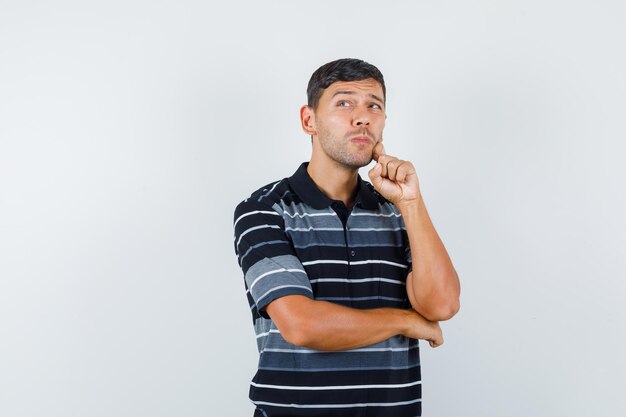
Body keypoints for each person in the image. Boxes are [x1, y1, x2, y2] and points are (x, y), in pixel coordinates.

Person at [233, 58, 460, 417]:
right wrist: (404, 321)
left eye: (374, 105)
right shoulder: (265, 210)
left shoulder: (395, 210)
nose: (362, 116)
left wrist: (411, 203)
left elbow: (441, 306)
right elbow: (302, 325)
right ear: (309, 120)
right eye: (344, 102)